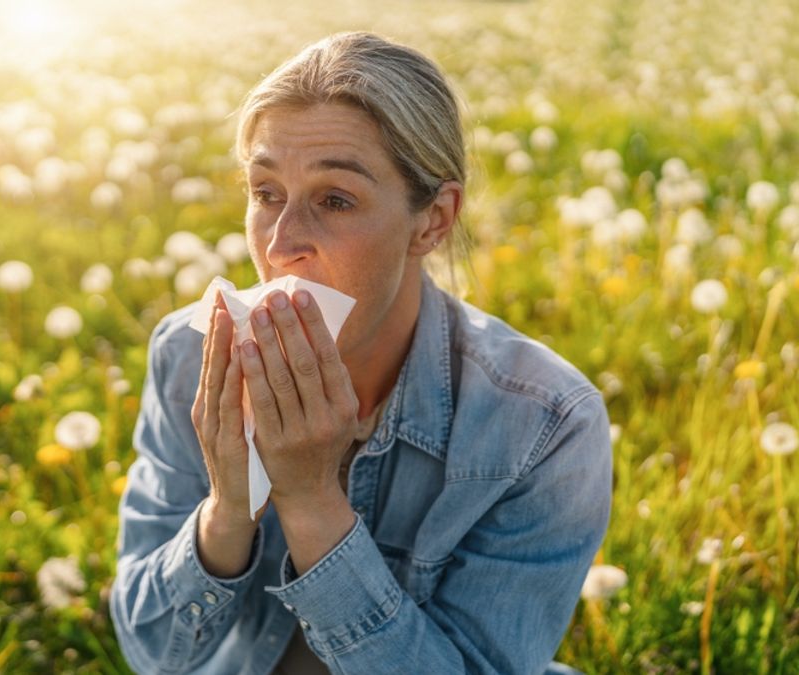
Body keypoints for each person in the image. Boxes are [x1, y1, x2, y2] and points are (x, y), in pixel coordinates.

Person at [110, 31, 612, 675]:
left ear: (432, 221)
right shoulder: (192, 356)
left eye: (335, 200)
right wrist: (228, 511)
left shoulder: (543, 425)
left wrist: (314, 500)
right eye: (266, 194)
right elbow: (154, 654)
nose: (282, 244)